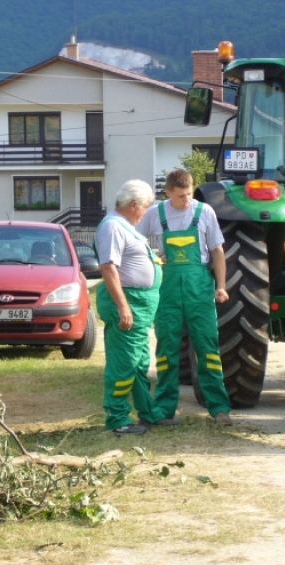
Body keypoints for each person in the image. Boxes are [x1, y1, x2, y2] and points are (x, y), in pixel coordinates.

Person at [137, 168, 233, 426]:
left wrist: (221, 286)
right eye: (181, 196)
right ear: (168, 193)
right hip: (167, 291)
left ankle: (219, 408)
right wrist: (153, 256)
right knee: (167, 350)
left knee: (207, 348)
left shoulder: (205, 212)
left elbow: (217, 250)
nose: (186, 200)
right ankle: (164, 410)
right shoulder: (154, 214)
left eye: (189, 194)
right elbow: (133, 241)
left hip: (199, 289)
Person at [94, 180, 164, 435]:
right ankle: (117, 419)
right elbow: (108, 267)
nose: (145, 212)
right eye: (145, 207)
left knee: (139, 362)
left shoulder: (125, 226)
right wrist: (123, 307)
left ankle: (148, 412)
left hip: (139, 306)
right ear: (134, 205)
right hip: (128, 304)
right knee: (124, 364)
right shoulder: (112, 227)